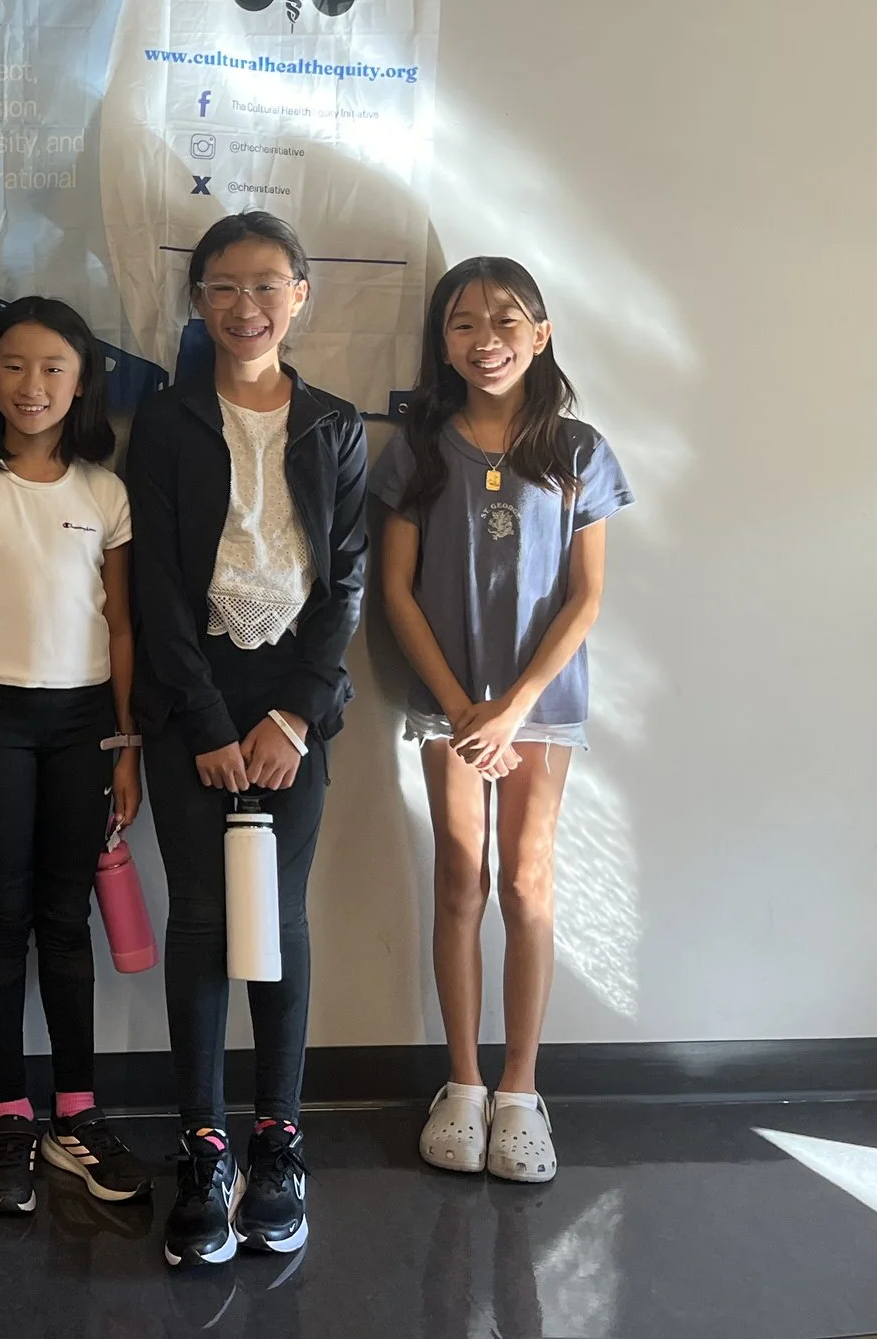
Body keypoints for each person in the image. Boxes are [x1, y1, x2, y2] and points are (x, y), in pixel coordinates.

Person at [124, 211, 369, 1267]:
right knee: (200, 919)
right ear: (198, 302)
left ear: (299, 295)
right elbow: (156, 587)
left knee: (282, 920)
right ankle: (206, 1146)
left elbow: (345, 579)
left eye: (265, 284)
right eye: (222, 286)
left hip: (293, 709)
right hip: (195, 699)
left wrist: (293, 717)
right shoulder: (170, 423)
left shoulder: (333, 425)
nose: (244, 305)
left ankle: (279, 1142)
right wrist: (210, 721)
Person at [371, 257, 630, 1185]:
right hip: (448, 706)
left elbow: (588, 596)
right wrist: (458, 706)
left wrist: (514, 707)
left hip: (540, 708)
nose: (486, 340)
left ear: (542, 333)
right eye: (463, 323)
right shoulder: (415, 447)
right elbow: (396, 591)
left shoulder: (579, 450)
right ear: (443, 341)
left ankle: (521, 1089)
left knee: (525, 885)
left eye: (506, 320)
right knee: (459, 884)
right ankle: (465, 1084)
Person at [0, 296, 149, 1215]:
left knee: (67, 917)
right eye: (14, 364)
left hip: (86, 722)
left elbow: (121, 625)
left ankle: (77, 1114)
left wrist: (128, 745)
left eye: (54, 367)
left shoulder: (105, 489)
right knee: (2, 912)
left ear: (81, 380)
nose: (33, 384)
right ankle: (9, 1116)